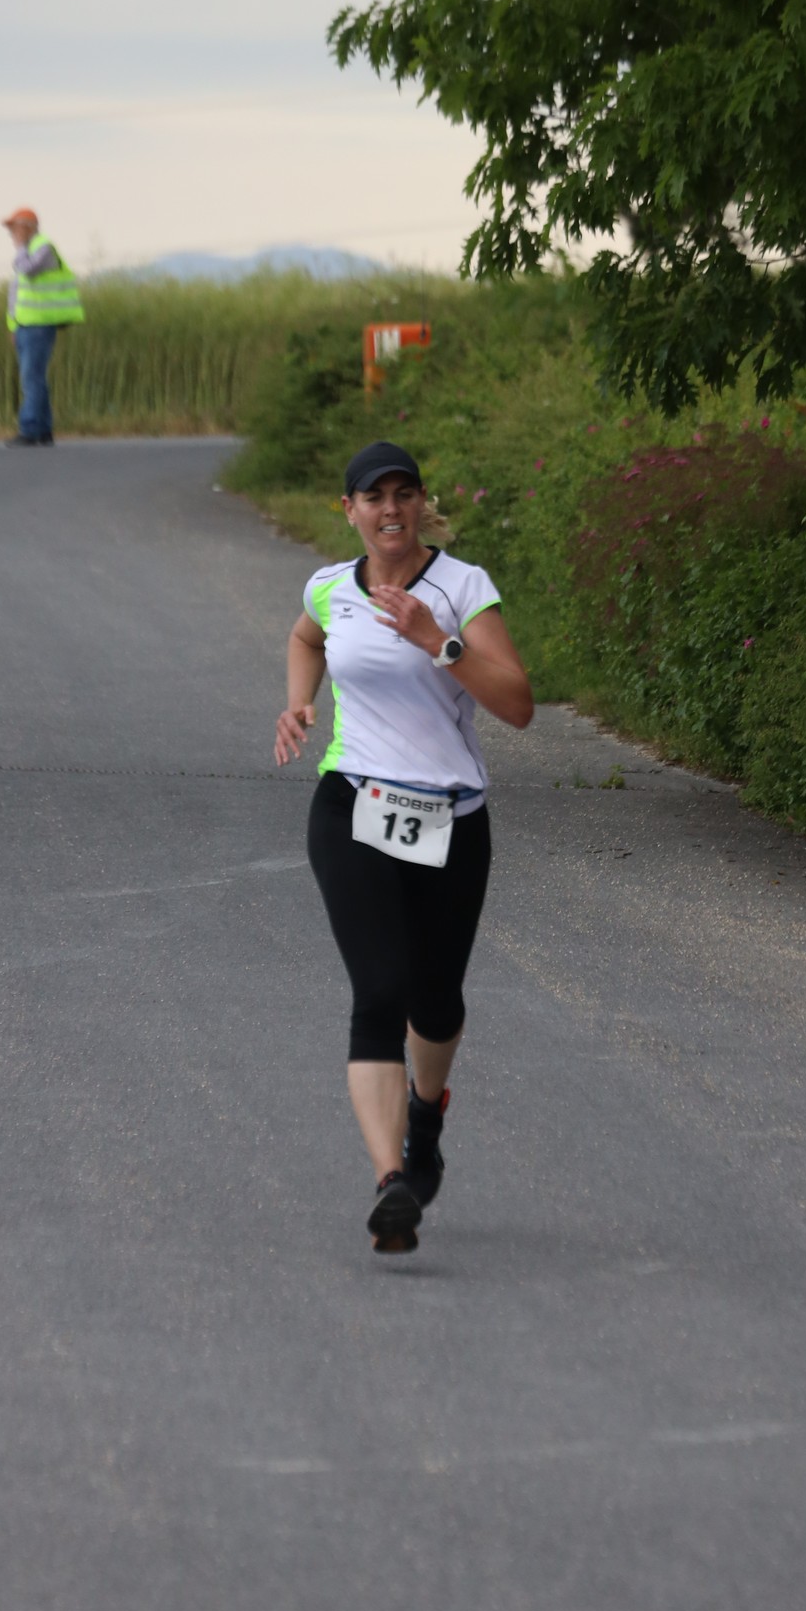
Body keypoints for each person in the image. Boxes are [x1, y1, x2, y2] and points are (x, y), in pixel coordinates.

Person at [274, 440, 534, 1252]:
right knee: (379, 993)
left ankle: (426, 1116)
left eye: (403, 494)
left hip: (450, 818)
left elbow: (519, 705)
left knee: (437, 1002)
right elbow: (306, 639)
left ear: (421, 503)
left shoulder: (462, 588)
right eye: (373, 497)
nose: (390, 510)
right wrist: (299, 703)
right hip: (351, 804)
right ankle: (391, 1182)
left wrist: (438, 641)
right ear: (349, 510)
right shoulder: (329, 586)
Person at [2, 207, 83, 445]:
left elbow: (27, 270)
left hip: (39, 324)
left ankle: (30, 430)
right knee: (34, 377)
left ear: (28, 228)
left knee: (31, 378)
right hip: (25, 324)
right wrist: (13, 325)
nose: (12, 234)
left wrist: (20, 247)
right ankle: (43, 431)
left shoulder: (43, 247)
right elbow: (16, 294)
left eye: (15, 228)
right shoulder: (29, 251)